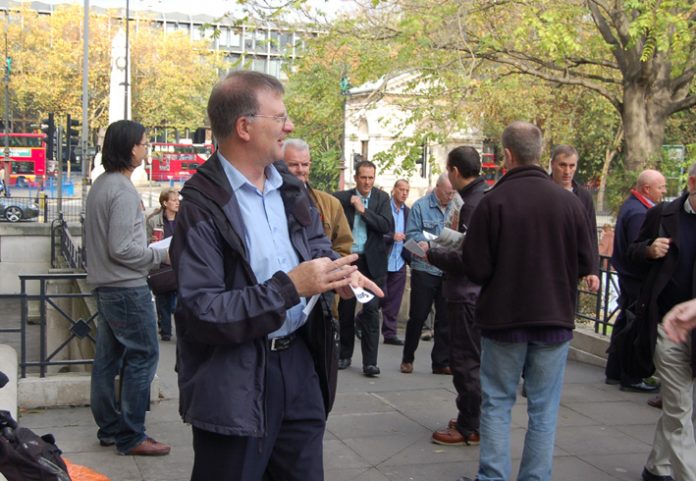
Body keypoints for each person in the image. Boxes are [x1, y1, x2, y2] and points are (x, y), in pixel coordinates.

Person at [170, 71, 382, 481]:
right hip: (233, 379)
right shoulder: (201, 204)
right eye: (280, 117)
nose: (289, 126)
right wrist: (291, 287)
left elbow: (316, 245)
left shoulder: (289, 185)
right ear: (244, 127)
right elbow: (203, 310)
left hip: (300, 365)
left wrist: (338, 274)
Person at [456, 121, 597, 481]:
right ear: (541, 154)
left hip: (504, 320)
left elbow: (476, 268)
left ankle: (493, 477)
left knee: (498, 403)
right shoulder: (569, 203)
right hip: (554, 318)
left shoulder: (494, 202)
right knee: (544, 409)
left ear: (506, 155)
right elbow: (586, 262)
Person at [84, 120, 171, 456]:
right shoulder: (120, 189)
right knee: (143, 356)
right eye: (143, 143)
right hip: (126, 289)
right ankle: (132, 436)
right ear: (128, 147)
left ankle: (110, 427)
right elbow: (121, 248)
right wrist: (158, 254)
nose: (146, 149)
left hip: (107, 287)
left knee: (107, 360)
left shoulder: (102, 185)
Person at [629, 163, 696, 481]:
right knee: (680, 409)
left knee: (679, 407)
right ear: (693, 183)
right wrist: (648, 251)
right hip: (667, 328)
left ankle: (657, 467)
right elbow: (629, 254)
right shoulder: (663, 215)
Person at [425, 146, 486, 446]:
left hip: (466, 295)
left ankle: (469, 426)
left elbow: (468, 260)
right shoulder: (478, 197)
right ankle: (471, 417)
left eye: (449, 171)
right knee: (469, 360)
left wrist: (433, 255)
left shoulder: (474, 203)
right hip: (471, 293)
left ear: (456, 171)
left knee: (465, 362)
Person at [605, 169, 667, 392]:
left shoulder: (632, 206)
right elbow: (636, 248)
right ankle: (631, 376)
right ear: (647, 189)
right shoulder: (640, 213)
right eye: (661, 187)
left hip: (626, 275)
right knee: (635, 328)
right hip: (635, 278)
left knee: (624, 322)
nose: (664, 191)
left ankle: (614, 372)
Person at [333, 160, 393, 377]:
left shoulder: (381, 198)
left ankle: (370, 362)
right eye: (364, 177)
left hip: (372, 263)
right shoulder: (341, 198)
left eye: (371, 178)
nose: (367, 182)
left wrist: (364, 210)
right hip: (349, 261)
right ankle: (345, 355)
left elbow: (387, 226)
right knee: (345, 310)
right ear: (356, 178)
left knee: (370, 311)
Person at [400, 174, 455, 375]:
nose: (451, 196)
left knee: (445, 318)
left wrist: (437, 243)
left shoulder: (456, 207)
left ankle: (440, 362)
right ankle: (408, 357)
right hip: (424, 268)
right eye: (448, 193)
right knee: (418, 315)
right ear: (437, 189)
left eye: (453, 193)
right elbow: (412, 235)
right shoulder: (420, 206)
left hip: (447, 269)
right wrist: (433, 244)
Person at [282, 138, 352, 256]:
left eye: (304, 164)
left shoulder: (330, 204)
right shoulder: (272, 202)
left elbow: (344, 248)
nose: (300, 170)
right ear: (281, 166)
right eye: (293, 165)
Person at [145, 188, 180, 342]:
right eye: (173, 200)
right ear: (165, 203)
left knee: (179, 301)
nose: (177, 202)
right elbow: (143, 243)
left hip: (180, 263)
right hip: (162, 264)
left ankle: (182, 330)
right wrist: (151, 242)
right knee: (163, 299)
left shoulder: (184, 218)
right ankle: (165, 331)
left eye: (178, 199)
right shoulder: (153, 221)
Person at [380, 179, 410, 346]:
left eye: (407, 190)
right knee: (380, 295)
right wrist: (392, 236)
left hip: (399, 260)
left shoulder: (408, 212)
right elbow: (376, 232)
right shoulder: (385, 208)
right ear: (394, 190)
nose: (404, 193)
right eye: (401, 189)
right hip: (384, 258)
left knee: (395, 300)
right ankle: (361, 320)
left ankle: (390, 333)